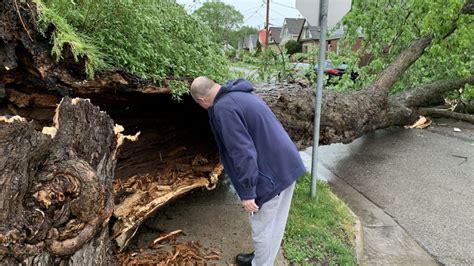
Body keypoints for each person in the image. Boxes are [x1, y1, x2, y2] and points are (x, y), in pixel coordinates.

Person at [190, 77, 306, 266]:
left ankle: (261, 263)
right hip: (284, 165)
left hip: (271, 175)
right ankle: (262, 258)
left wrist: (248, 192)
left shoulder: (224, 109)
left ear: (202, 100)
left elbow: (241, 152)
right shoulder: (239, 94)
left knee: (262, 227)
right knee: (274, 223)